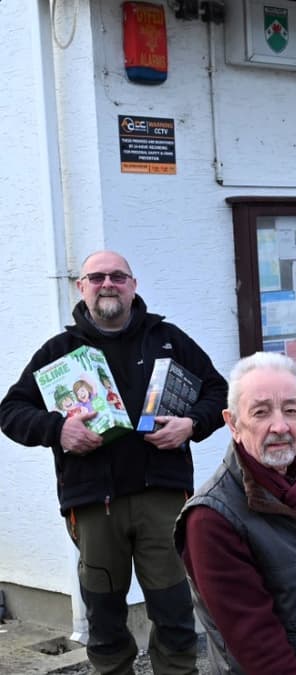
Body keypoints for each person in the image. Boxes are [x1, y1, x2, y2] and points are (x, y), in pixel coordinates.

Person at [0, 250, 227, 675]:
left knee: (175, 614)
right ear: (82, 286)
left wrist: (191, 425)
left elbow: (220, 393)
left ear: (133, 285)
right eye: (98, 276)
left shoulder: (168, 340)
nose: (109, 284)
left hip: (163, 499)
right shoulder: (59, 352)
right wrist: (58, 430)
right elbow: (10, 412)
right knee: (104, 623)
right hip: (93, 506)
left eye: (118, 276)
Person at [175, 352, 296, 673]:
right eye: (260, 412)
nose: (279, 425)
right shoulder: (211, 518)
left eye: (290, 410)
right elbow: (259, 649)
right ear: (233, 423)